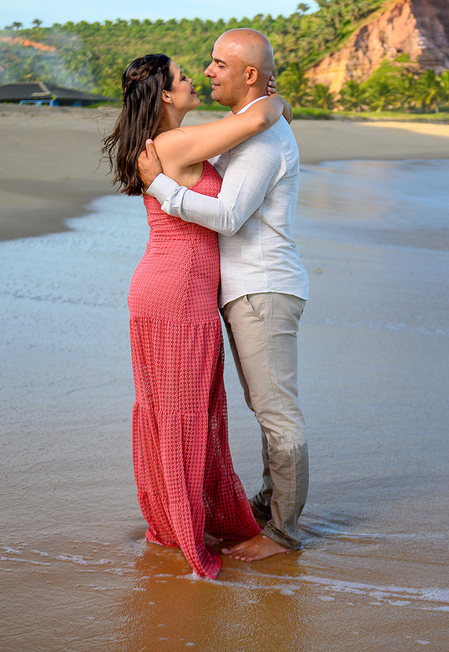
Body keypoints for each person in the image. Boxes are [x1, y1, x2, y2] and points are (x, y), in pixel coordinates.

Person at [102, 52, 286, 578]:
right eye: (184, 77)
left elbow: (243, 123)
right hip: (177, 290)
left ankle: (173, 516)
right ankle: (182, 526)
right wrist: (279, 98)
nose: (194, 80)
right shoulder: (175, 143)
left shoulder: (173, 140)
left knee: (182, 410)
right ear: (163, 94)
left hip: (173, 287)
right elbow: (253, 118)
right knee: (183, 414)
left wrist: (270, 107)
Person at [140, 29, 310, 561]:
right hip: (242, 290)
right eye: (205, 66)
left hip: (261, 287)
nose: (208, 71)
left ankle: (281, 530)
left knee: (275, 411)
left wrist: (160, 187)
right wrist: (271, 105)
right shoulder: (247, 127)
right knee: (263, 406)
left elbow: (230, 216)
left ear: (250, 74)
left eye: (218, 64)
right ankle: (266, 501)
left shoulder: (260, 138)